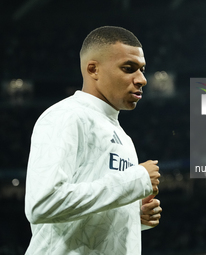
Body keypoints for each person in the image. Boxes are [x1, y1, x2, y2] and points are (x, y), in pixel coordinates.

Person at [24, 26, 162, 255]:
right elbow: (43, 204)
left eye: (142, 70)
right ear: (93, 69)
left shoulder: (123, 136)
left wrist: (132, 215)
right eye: (129, 68)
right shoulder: (66, 116)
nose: (142, 80)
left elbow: (86, 216)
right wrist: (133, 181)